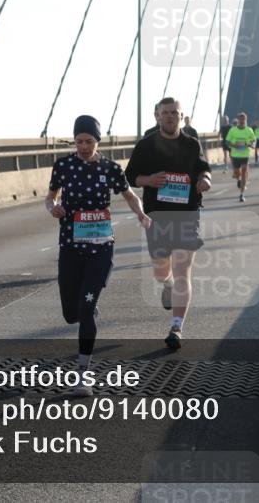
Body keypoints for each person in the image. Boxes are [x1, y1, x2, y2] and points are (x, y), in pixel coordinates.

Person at [45, 115, 150, 396]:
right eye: (79, 141)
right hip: (70, 244)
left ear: (97, 142)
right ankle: (83, 310)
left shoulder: (110, 168)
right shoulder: (63, 166)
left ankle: (83, 376)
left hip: (101, 246)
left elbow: (129, 195)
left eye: (88, 141)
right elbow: (50, 196)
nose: (83, 146)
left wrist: (140, 213)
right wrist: (52, 207)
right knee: (71, 313)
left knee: (86, 309)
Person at [125, 97, 212, 351]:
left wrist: (205, 180)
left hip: (187, 214)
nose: (170, 116)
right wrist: (148, 180)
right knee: (162, 268)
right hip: (157, 215)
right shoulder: (146, 145)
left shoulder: (191, 144)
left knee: (184, 270)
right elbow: (130, 177)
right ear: (157, 116)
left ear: (182, 116)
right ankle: (167, 284)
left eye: (175, 112)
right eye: (165, 113)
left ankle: (176, 327)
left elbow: (204, 170)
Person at [225, 112, 256, 202]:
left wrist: (252, 144)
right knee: (237, 173)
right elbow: (227, 141)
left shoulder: (249, 130)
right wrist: (235, 146)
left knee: (244, 172)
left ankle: (242, 194)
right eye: (240, 120)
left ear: (246, 120)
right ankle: (238, 179)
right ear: (238, 121)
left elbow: (254, 140)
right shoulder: (233, 130)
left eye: (244, 120)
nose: (242, 121)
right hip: (235, 155)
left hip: (245, 155)